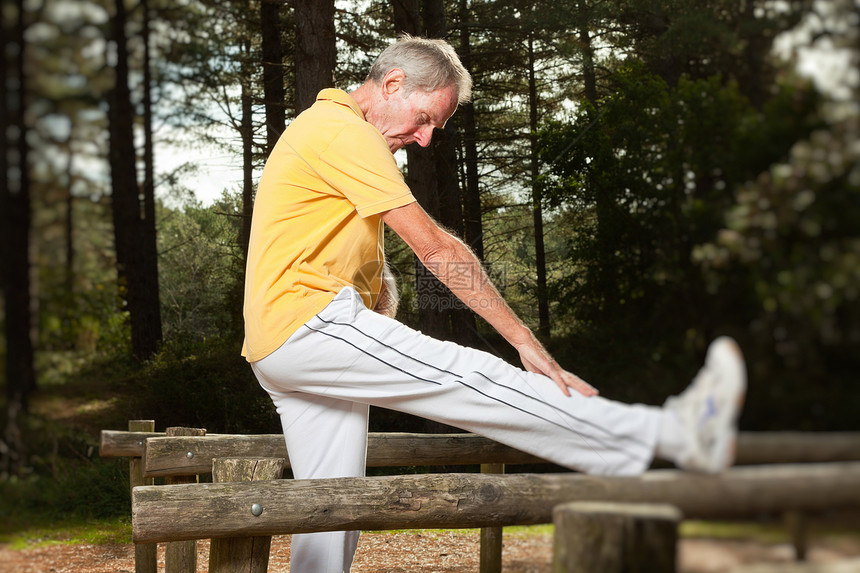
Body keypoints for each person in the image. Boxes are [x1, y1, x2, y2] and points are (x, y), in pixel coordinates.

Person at [243, 35, 746, 573]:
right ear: (391, 84)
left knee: (331, 505)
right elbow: (437, 250)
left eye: (435, 126)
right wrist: (523, 340)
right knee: (476, 375)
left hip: (277, 345)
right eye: (424, 117)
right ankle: (678, 434)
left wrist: (372, 305)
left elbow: (343, 258)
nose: (427, 138)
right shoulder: (343, 131)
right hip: (307, 326)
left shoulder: (324, 130)